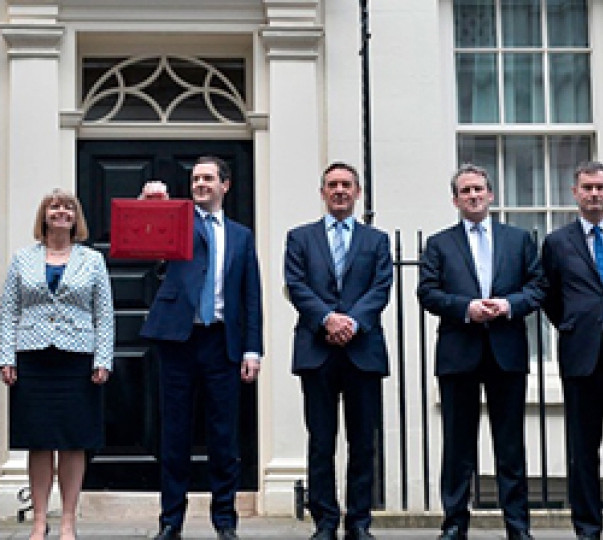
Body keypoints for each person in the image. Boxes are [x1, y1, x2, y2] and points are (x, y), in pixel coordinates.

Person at [138, 155, 263, 540]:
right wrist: (149, 203)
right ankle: (170, 521)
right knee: (174, 434)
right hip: (179, 340)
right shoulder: (176, 221)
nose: (201, 184)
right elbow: (144, 238)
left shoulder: (242, 236)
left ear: (226, 185)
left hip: (222, 341)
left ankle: (224, 520)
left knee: (224, 436)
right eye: (196, 179)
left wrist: (252, 349)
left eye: (208, 178)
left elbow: (251, 296)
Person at [417, 164, 543, 540]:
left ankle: (517, 526)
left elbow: (538, 287)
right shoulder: (439, 243)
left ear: (491, 195)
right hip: (459, 351)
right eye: (465, 191)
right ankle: (455, 523)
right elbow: (427, 292)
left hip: (506, 351)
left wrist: (508, 305)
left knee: (510, 445)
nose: (473, 196)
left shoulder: (518, 240)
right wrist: (465, 308)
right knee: (457, 445)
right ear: (455, 199)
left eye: (479, 189)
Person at [284, 162, 392, 540]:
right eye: (332, 185)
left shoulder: (376, 241)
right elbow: (296, 285)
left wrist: (350, 322)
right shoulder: (300, 238)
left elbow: (381, 288)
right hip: (317, 351)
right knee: (321, 441)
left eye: (346, 185)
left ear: (358, 192)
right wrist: (328, 319)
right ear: (322, 192)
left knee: (363, 442)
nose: (340, 190)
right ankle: (325, 522)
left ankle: (359, 521)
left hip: (363, 351)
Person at [0, 189, 114, 540]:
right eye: (54, 206)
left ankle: (67, 521)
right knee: (39, 441)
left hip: (77, 358)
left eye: (67, 207)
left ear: (76, 217)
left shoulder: (92, 261)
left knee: (74, 441)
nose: (61, 212)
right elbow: (8, 312)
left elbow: (104, 314)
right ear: (44, 216)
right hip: (32, 357)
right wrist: (7, 357)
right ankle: (38, 521)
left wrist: (103, 358)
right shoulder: (22, 259)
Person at [541, 160, 603, 540]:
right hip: (582, 355)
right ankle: (587, 527)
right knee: (583, 448)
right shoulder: (557, 242)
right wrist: (573, 324)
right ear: (574, 192)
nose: (595, 194)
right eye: (588, 187)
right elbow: (548, 296)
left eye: (600, 187)